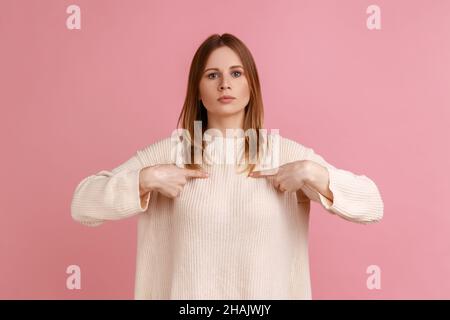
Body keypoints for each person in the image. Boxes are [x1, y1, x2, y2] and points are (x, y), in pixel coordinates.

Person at [70, 33, 384, 299]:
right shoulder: (173, 152)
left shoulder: (283, 153)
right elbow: (83, 205)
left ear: (252, 86)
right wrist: (145, 179)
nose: (224, 84)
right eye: (212, 75)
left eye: (236, 73)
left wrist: (313, 174)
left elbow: (372, 206)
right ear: (198, 88)